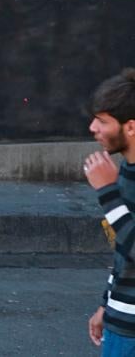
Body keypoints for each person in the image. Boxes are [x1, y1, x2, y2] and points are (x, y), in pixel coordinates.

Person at [83, 69, 135, 354]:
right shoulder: (126, 170)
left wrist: (107, 193)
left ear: (130, 127)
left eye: (103, 121)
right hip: (120, 318)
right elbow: (124, 254)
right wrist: (108, 304)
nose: (93, 128)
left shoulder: (116, 180)